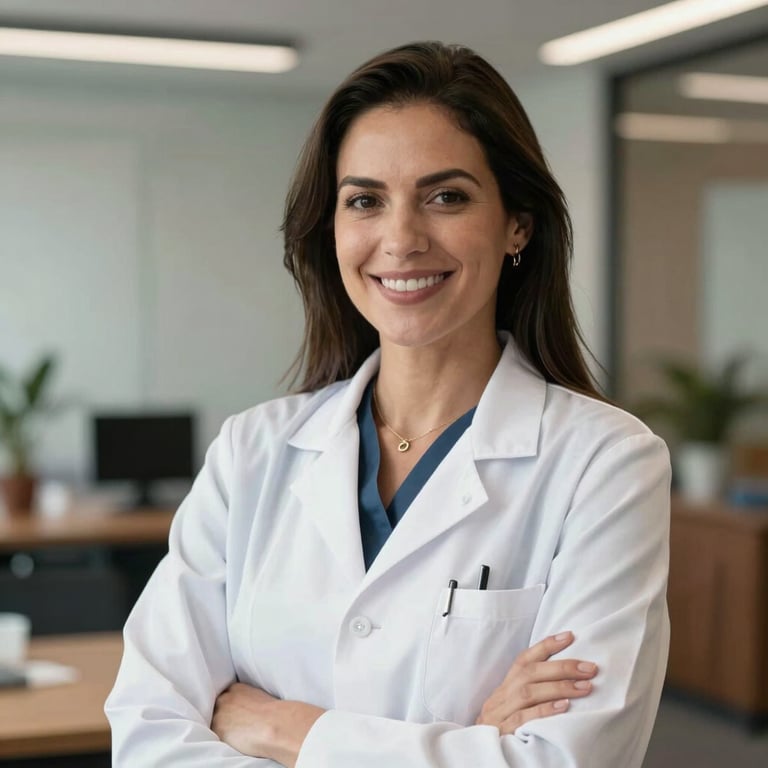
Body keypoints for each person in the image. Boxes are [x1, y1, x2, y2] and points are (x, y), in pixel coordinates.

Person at [105, 41, 670, 767]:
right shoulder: (252, 452)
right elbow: (150, 732)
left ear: (517, 224)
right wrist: (472, 743)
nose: (401, 239)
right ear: (333, 228)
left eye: (446, 196)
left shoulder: (606, 464)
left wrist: (287, 730)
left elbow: (564, 760)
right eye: (365, 200)